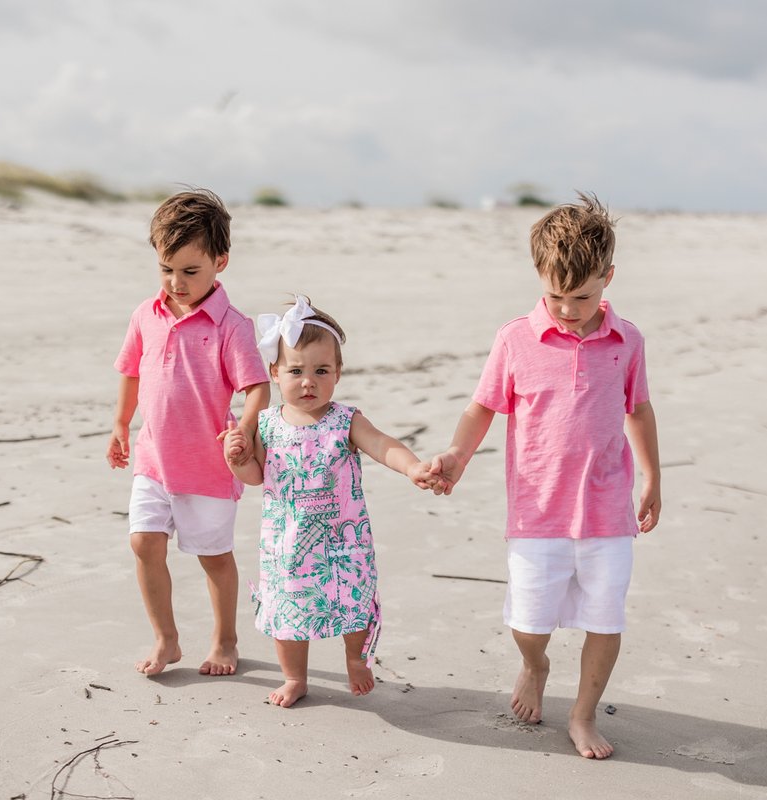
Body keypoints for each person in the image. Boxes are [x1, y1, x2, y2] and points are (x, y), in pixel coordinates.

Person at [429, 192, 661, 759]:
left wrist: (652, 477)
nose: (568, 309)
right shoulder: (516, 338)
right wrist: (457, 455)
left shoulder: (627, 341)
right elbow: (482, 408)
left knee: (605, 620)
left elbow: (638, 409)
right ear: (539, 277)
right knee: (530, 623)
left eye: (582, 297)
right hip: (538, 511)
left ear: (608, 278)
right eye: (556, 295)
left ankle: (582, 715)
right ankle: (535, 665)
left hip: (608, 510)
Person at [224, 295, 436, 708]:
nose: (308, 382)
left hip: (344, 543)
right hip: (288, 546)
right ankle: (295, 677)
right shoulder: (266, 425)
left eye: (321, 371)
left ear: (338, 373)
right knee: (288, 615)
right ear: (275, 372)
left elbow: (382, 445)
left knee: (354, 604)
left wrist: (411, 467)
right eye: (296, 371)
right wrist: (237, 458)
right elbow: (255, 476)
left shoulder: (345, 420)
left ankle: (356, 659)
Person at [107, 189, 270, 677]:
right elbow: (131, 371)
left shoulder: (231, 326)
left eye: (190, 271)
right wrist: (120, 424)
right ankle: (167, 639)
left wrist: (244, 430)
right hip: (154, 459)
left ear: (220, 262)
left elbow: (257, 388)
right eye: (166, 269)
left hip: (208, 467)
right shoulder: (146, 315)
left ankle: (225, 640)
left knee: (214, 558)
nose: (176, 282)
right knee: (143, 543)